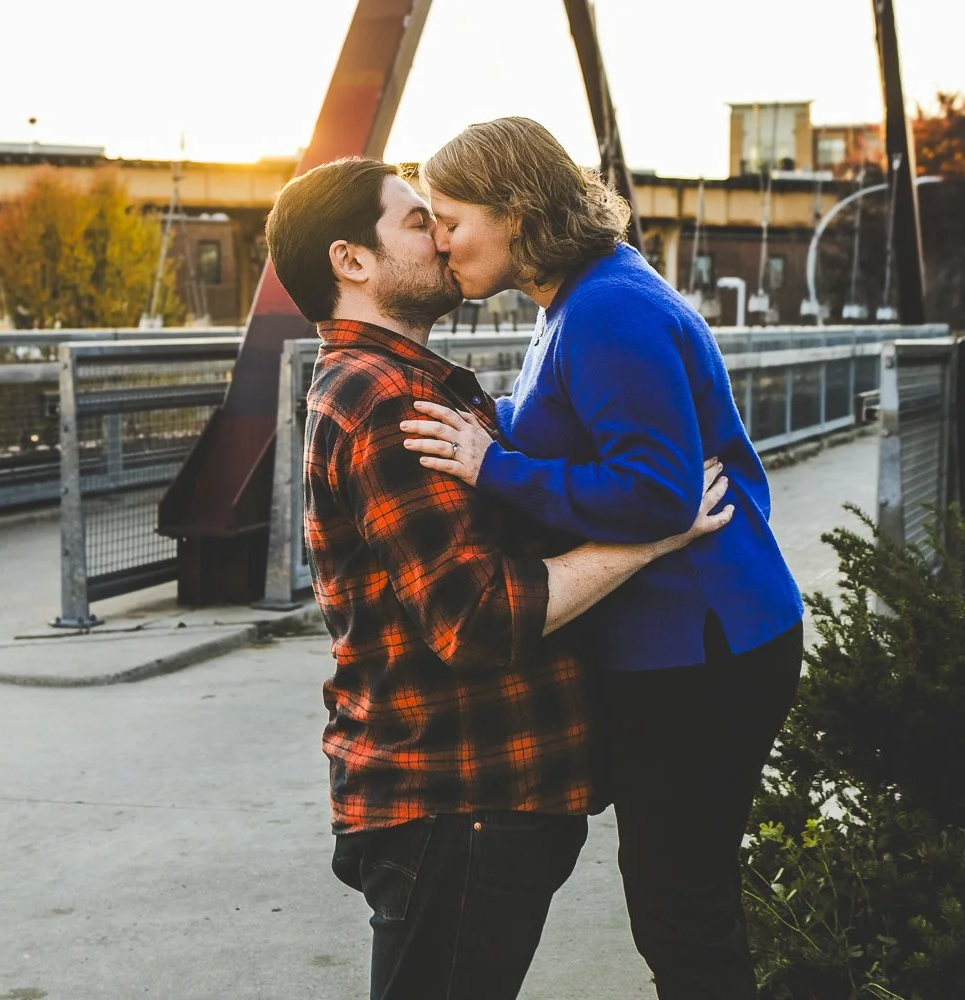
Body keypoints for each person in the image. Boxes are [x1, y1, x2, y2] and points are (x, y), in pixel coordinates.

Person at [264, 155, 734, 1000]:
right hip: (456, 802)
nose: (443, 239)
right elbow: (475, 620)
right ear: (352, 261)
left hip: (472, 794)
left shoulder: (411, 385)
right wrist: (653, 534)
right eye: (418, 221)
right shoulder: (385, 402)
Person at [403, 117, 806, 1000]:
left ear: (513, 212)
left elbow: (660, 492)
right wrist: (497, 426)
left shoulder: (611, 308)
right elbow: (580, 427)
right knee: (677, 895)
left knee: (679, 907)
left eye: (448, 217)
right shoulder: (574, 301)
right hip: (680, 645)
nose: (437, 239)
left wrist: (494, 466)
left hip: (705, 650)